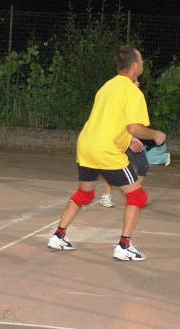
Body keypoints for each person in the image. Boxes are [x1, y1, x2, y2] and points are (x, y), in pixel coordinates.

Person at [47, 46, 167, 260]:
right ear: (135, 65)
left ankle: (58, 235)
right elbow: (134, 127)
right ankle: (124, 246)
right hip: (106, 150)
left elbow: (111, 120)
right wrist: (155, 135)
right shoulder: (133, 92)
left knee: (84, 193)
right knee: (137, 196)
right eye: (141, 59)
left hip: (86, 145)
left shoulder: (107, 86)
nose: (143, 62)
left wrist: (129, 139)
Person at [99, 138, 170, 208]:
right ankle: (106, 196)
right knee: (116, 168)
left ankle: (133, 194)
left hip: (135, 141)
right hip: (121, 141)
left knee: (143, 166)